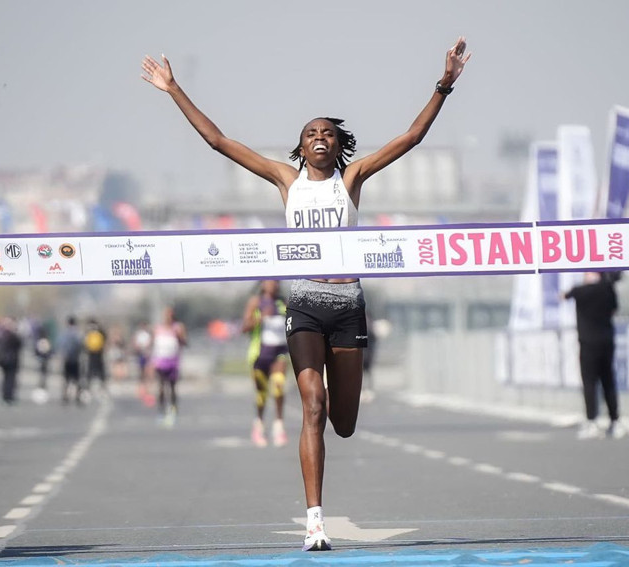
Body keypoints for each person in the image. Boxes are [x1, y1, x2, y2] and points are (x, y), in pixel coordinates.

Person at [142, 35, 471, 551]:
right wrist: (174, 89)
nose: (319, 137)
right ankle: (314, 520)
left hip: (348, 308)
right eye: (310, 133)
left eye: (327, 133)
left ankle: (331, 453)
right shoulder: (285, 180)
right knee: (311, 404)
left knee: (343, 423)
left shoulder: (352, 179)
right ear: (300, 148)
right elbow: (220, 142)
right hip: (304, 305)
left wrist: (444, 85)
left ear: (339, 147)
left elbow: (410, 138)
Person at [563, 271, 622, 439]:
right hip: (606, 342)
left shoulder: (580, 291)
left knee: (589, 383)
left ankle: (592, 421)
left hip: (588, 344)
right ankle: (614, 420)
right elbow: (614, 309)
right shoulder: (608, 289)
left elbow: (564, 296)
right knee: (608, 382)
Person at [242, 280, 289, 448]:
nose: (274, 284)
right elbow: (244, 327)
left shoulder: (283, 302)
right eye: (270, 281)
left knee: (279, 385)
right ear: (262, 284)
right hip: (260, 354)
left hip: (279, 353)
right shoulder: (256, 302)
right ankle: (259, 424)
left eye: (276, 281)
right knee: (261, 393)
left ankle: (279, 425)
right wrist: (261, 317)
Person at [149, 305, 187, 427]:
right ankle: (161, 411)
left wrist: (178, 336)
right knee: (161, 387)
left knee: (172, 387)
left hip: (173, 361)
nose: (168, 317)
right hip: (160, 361)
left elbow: (184, 342)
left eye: (170, 314)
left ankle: (173, 410)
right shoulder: (158, 329)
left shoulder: (178, 328)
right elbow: (152, 344)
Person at [0, 317, 23, 405]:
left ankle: (5, 396)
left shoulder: (2, 334)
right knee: (10, 379)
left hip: (4, 359)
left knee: (6, 378)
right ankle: (8, 396)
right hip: (11, 359)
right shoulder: (12, 335)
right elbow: (19, 344)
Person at [59, 315, 85, 406]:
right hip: (76, 359)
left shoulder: (65, 333)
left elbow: (61, 345)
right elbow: (82, 345)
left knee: (66, 379)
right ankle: (78, 396)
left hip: (67, 359)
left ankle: (65, 396)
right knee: (77, 379)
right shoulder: (78, 333)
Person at [83, 318, 108, 398]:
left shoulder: (96, 332)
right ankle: (91, 388)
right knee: (93, 372)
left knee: (97, 372)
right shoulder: (91, 332)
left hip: (96, 354)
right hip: (94, 354)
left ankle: (100, 388)